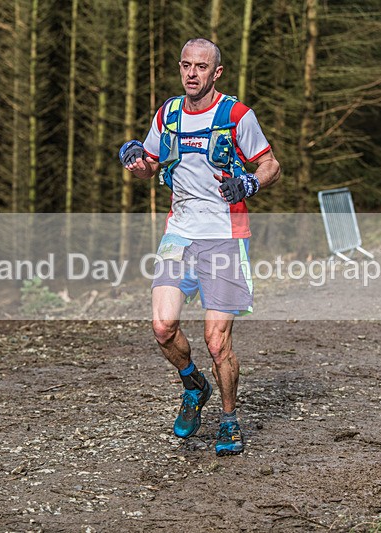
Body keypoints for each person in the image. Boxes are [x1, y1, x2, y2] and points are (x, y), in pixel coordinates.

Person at [119, 38, 280, 456]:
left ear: (216, 72)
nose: (193, 73)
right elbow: (150, 164)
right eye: (187, 65)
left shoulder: (236, 115)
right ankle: (194, 384)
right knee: (162, 326)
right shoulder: (168, 113)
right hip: (179, 233)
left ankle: (228, 420)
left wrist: (249, 182)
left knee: (216, 340)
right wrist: (137, 161)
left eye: (201, 67)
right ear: (180, 67)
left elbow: (270, 165)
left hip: (225, 235)